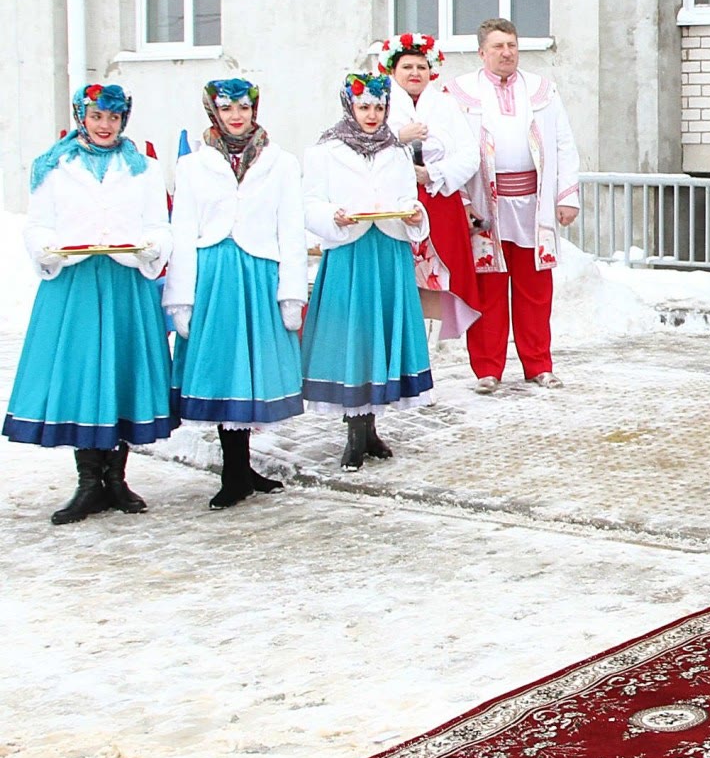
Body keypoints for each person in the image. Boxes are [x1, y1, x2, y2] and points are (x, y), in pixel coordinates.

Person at [5, 84, 175, 524]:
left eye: (114, 118)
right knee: (84, 374)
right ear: (83, 116)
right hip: (75, 283)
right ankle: (87, 482)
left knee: (120, 372)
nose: (105, 126)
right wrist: (47, 248)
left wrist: (151, 246)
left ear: (124, 121)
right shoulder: (54, 165)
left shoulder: (144, 168)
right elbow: (38, 224)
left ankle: (116, 479)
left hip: (125, 283)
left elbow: (159, 223)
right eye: (97, 116)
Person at [164, 79, 306, 509]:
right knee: (226, 370)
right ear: (214, 112)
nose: (236, 116)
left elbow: (291, 229)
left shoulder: (281, 163)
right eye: (227, 109)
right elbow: (183, 232)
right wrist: (181, 297)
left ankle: (243, 468)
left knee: (252, 370)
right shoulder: (192, 166)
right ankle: (233, 472)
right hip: (215, 277)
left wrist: (291, 290)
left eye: (243, 108)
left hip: (260, 272)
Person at [300, 73, 435, 470]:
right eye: (364, 107)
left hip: (388, 251)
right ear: (349, 106)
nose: (372, 116)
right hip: (350, 253)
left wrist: (414, 215)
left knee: (381, 335)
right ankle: (354, 431)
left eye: (378, 108)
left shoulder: (395, 151)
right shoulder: (324, 151)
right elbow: (309, 204)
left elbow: (408, 199)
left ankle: (370, 427)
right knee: (354, 336)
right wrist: (332, 217)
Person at [450, 18, 581, 392]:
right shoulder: (461, 94)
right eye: (497, 46)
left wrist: (566, 197)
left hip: (533, 204)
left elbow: (564, 143)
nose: (506, 53)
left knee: (535, 289)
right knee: (489, 288)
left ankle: (538, 364)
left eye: (511, 45)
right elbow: (450, 149)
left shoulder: (542, 91)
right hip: (485, 205)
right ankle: (488, 370)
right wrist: (461, 202)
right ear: (481, 52)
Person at [379, 33, 483, 340]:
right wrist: (399, 137)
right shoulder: (379, 104)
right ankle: (397, 341)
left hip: (438, 198)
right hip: (394, 201)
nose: (414, 73)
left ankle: (424, 345)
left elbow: (469, 154)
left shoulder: (445, 105)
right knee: (399, 276)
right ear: (393, 71)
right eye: (407, 67)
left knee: (436, 276)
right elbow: (361, 147)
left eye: (421, 67)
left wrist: (434, 174)